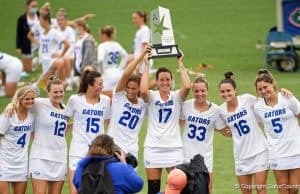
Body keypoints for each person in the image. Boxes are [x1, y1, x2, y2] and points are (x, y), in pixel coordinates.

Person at [140, 52, 191, 194]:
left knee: (177, 186)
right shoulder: (152, 97)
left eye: (168, 79)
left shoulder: (176, 97)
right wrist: (146, 65)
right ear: (157, 81)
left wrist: (180, 63)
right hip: (153, 147)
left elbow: (187, 86)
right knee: (154, 189)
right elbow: (143, 90)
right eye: (161, 80)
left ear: (171, 80)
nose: (165, 82)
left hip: (173, 148)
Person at [218, 72, 269, 194]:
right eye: (222, 92)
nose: (226, 94)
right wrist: (226, 132)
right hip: (240, 156)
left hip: (259, 151)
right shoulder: (221, 110)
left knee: (260, 189)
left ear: (235, 90)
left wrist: (281, 92)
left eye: (228, 91)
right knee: (246, 192)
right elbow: (221, 128)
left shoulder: (247, 99)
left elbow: (267, 101)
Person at [180, 76, 230, 193]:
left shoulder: (215, 110)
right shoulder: (186, 105)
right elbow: (178, 122)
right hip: (186, 155)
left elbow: (223, 130)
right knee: (185, 189)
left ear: (207, 91)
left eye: (203, 90)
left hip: (205, 157)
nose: (200, 94)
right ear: (193, 91)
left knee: (207, 188)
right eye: (196, 91)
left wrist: (233, 131)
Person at [254, 69, 300, 194]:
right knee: (283, 188)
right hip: (277, 152)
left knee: (294, 188)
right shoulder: (258, 107)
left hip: (295, 149)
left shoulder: (287, 98)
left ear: (272, 84)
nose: (263, 91)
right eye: (260, 89)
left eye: (265, 87)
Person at [66, 70, 110, 194]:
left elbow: (106, 122)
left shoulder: (105, 100)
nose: (102, 86)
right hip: (77, 151)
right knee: (75, 191)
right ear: (90, 84)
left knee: (96, 190)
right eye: (99, 84)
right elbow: (63, 121)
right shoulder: (75, 99)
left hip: (98, 153)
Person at [107, 46, 150, 159]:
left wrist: (147, 65)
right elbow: (126, 74)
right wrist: (141, 56)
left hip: (132, 149)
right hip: (114, 145)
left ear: (139, 89)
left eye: (134, 88)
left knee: (129, 176)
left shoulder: (143, 104)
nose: (130, 91)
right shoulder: (119, 96)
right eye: (128, 87)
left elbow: (146, 89)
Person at [73, 134, 143, 194]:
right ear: (112, 150)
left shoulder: (81, 168)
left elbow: (78, 185)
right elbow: (138, 185)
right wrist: (124, 164)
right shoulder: (120, 169)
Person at [0, 86, 36, 194]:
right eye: (27, 99)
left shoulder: (32, 115)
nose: (30, 101)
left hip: (21, 164)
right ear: (19, 99)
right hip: (4, 163)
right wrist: (10, 104)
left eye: (32, 99)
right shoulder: (9, 114)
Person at [28, 5, 70, 85]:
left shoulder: (54, 32)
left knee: (59, 63)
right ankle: (64, 82)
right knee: (48, 85)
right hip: (44, 62)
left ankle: (62, 82)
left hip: (51, 61)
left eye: (40, 19)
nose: (39, 22)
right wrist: (39, 44)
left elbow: (67, 44)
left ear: (45, 20)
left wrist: (60, 55)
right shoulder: (43, 33)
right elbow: (32, 37)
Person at [97, 25, 128, 97]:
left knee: (104, 98)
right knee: (117, 96)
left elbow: (100, 60)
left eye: (100, 35)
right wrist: (120, 69)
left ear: (104, 35)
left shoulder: (102, 46)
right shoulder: (117, 44)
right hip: (117, 74)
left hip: (107, 74)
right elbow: (125, 56)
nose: (100, 37)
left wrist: (101, 73)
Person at [16, 0, 39, 72]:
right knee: (27, 70)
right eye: (33, 6)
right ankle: (34, 62)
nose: (34, 8)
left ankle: (38, 60)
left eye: (36, 6)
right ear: (27, 6)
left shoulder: (39, 15)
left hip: (39, 41)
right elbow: (19, 33)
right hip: (27, 44)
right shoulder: (22, 19)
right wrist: (18, 47)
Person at [56, 8, 76, 89]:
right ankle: (61, 81)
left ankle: (69, 82)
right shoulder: (56, 31)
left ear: (66, 20)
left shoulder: (70, 31)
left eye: (62, 20)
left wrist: (62, 55)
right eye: (58, 20)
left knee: (66, 58)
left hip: (70, 55)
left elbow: (72, 46)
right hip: (60, 55)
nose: (60, 22)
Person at [130, 10, 151, 75]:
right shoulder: (140, 31)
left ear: (142, 18)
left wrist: (139, 64)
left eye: (135, 18)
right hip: (138, 60)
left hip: (142, 62)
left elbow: (144, 47)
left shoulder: (145, 30)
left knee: (141, 82)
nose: (133, 21)